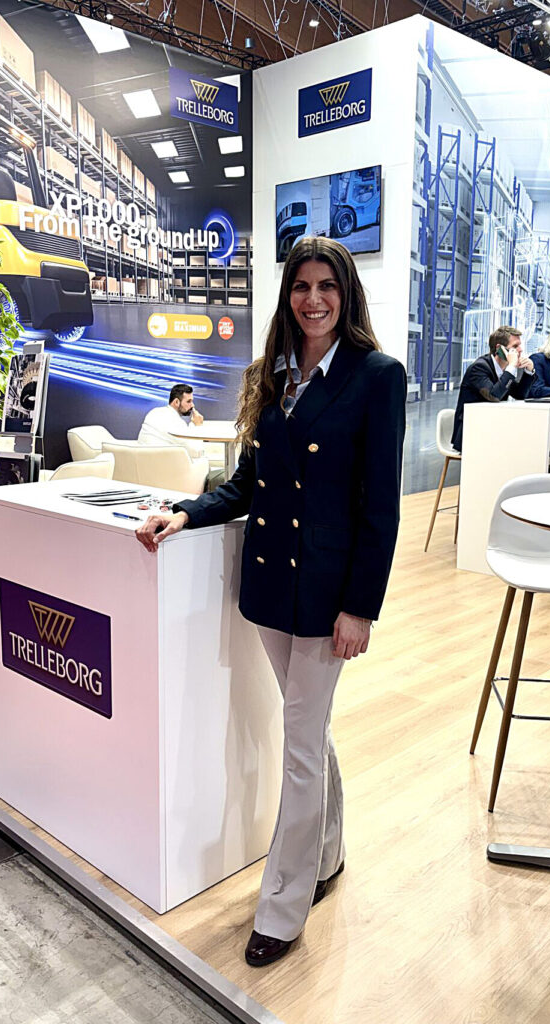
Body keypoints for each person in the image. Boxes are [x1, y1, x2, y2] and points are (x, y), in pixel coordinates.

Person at [135, 237, 406, 968]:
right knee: (306, 731)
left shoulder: (377, 376)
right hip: (268, 586)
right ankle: (329, 852)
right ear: (288, 294)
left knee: (298, 744)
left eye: (327, 286)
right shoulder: (270, 374)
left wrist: (361, 606)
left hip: (327, 594)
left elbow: (379, 507)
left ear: (346, 295)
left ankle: (283, 906)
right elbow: (245, 484)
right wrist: (185, 512)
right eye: (301, 286)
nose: (313, 300)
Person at [450, 325, 535, 452]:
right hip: (471, 433)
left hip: (493, 428)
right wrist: (512, 366)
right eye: (515, 346)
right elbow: (494, 396)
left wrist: (529, 372)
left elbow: (519, 394)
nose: (520, 350)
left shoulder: (504, 370)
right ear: (500, 349)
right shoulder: (479, 368)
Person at [137, 384, 206, 461]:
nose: (192, 405)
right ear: (176, 402)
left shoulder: (153, 412)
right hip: (163, 465)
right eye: (188, 401)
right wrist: (197, 426)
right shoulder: (176, 422)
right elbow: (197, 452)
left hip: (143, 462)